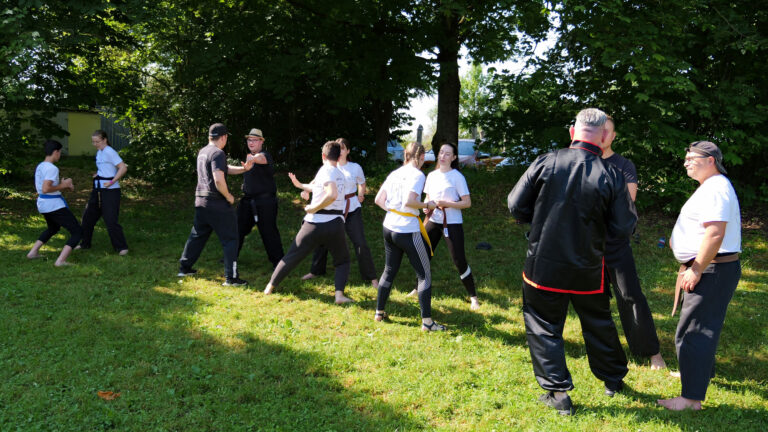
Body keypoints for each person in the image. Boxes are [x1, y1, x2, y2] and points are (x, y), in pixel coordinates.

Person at [507, 108, 636, 415]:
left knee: (543, 324)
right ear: (603, 137)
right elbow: (624, 225)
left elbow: (515, 205)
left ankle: (559, 391)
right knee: (598, 321)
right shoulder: (612, 175)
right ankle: (613, 379)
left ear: (572, 132)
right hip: (588, 267)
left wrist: (539, 219)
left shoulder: (547, 162)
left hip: (545, 264)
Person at [658, 141, 741, 411]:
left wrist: (696, 268)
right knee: (701, 326)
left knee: (694, 331)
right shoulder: (711, 186)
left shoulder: (716, 188)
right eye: (686, 158)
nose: (686, 162)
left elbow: (715, 233)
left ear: (710, 160)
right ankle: (696, 374)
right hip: (710, 268)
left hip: (711, 269)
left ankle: (691, 399)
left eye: (692, 158)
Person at [601, 117, 666, 369]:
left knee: (630, 295)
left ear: (613, 136)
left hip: (615, 242)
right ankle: (603, 348)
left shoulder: (623, 165)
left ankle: (651, 353)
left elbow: (627, 202)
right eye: (599, 130)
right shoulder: (583, 161)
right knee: (589, 298)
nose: (602, 135)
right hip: (584, 243)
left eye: (607, 131)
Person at [264, 141, 353, 304]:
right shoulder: (339, 173)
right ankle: (339, 295)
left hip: (315, 223)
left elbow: (331, 194)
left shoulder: (326, 170)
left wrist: (314, 208)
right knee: (343, 261)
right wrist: (300, 185)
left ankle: (270, 286)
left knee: (292, 256)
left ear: (323, 156)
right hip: (335, 225)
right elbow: (320, 188)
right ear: (339, 156)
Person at [374, 142, 445, 331]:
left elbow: (378, 200)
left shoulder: (395, 173)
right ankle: (427, 322)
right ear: (421, 157)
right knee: (424, 275)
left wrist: (394, 211)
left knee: (389, 270)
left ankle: (379, 313)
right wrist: (428, 205)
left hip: (389, 226)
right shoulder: (418, 175)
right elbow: (410, 201)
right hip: (407, 230)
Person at [178, 123, 254, 286]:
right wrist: (228, 196)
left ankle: (184, 268)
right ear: (224, 137)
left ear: (210, 137)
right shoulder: (218, 153)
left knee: (197, 236)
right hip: (217, 203)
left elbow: (224, 169)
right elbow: (219, 179)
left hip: (201, 200)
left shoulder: (203, 152)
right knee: (231, 239)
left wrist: (244, 169)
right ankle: (231, 278)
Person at [408, 142, 479, 310]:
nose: (443, 156)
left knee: (458, 259)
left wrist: (447, 203)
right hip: (433, 220)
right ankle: (417, 288)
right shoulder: (432, 176)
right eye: (441, 152)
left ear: (454, 157)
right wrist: (426, 206)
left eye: (447, 154)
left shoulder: (457, 177)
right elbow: (427, 197)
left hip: (452, 222)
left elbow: (467, 203)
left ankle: (473, 297)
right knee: (423, 254)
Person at [300, 138, 378, 288]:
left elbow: (362, 182)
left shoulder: (355, 167)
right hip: (332, 209)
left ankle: (371, 277)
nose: (340, 151)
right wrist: (306, 190)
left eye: (343, 148)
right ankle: (316, 270)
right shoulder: (329, 167)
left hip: (352, 208)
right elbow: (316, 182)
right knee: (322, 239)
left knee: (360, 242)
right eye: (338, 148)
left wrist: (361, 194)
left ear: (348, 151)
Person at [27, 140, 83, 266]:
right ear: (56, 152)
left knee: (53, 228)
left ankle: (33, 252)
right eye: (60, 152)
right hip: (53, 205)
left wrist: (62, 185)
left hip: (44, 204)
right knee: (77, 232)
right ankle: (60, 261)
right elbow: (46, 188)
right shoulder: (52, 168)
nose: (60, 155)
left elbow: (46, 188)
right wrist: (64, 185)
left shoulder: (41, 166)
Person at [236, 128, 284, 268]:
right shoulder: (248, 157)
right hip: (247, 201)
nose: (251, 142)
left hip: (265, 203)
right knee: (237, 229)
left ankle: (279, 262)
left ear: (261, 142)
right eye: (249, 140)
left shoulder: (264, 155)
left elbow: (261, 159)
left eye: (254, 140)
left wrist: (252, 159)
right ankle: (231, 256)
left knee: (268, 231)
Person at [78, 130, 129, 254]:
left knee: (110, 219)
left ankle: (122, 247)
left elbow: (123, 168)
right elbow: (105, 168)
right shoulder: (99, 152)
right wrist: (99, 174)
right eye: (93, 142)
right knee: (88, 217)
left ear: (105, 140)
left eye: (97, 141)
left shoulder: (110, 152)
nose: (95, 144)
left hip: (111, 191)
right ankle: (85, 243)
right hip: (98, 189)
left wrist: (112, 181)